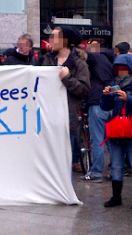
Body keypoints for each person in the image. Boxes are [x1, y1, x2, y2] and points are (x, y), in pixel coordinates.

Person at [101, 54, 132, 210]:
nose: (120, 72)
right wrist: (106, 96)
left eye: (123, 69)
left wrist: (127, 98)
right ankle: (116, 197)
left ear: (131, 69)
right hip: (116, 130)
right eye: (118, 69)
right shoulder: (114, 83)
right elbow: (105, 107)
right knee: (116, 165)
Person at [41, 26, 90, 172]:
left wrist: (67, 79)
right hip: (47, 118)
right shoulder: (47, 60)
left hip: (68, 120)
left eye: (54, 36)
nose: (50, 40)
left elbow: (84, 90)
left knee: (65, 163)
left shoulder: (79, 64)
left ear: (65, 40)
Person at [80, 38, 113, 183]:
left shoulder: (94, 57)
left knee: (97, 139)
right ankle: (114, 170)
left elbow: (81, 54)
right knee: (111, 140)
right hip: (111, 100)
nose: (87, 47)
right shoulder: (110, 58)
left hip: (97, 101)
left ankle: (96, 172)